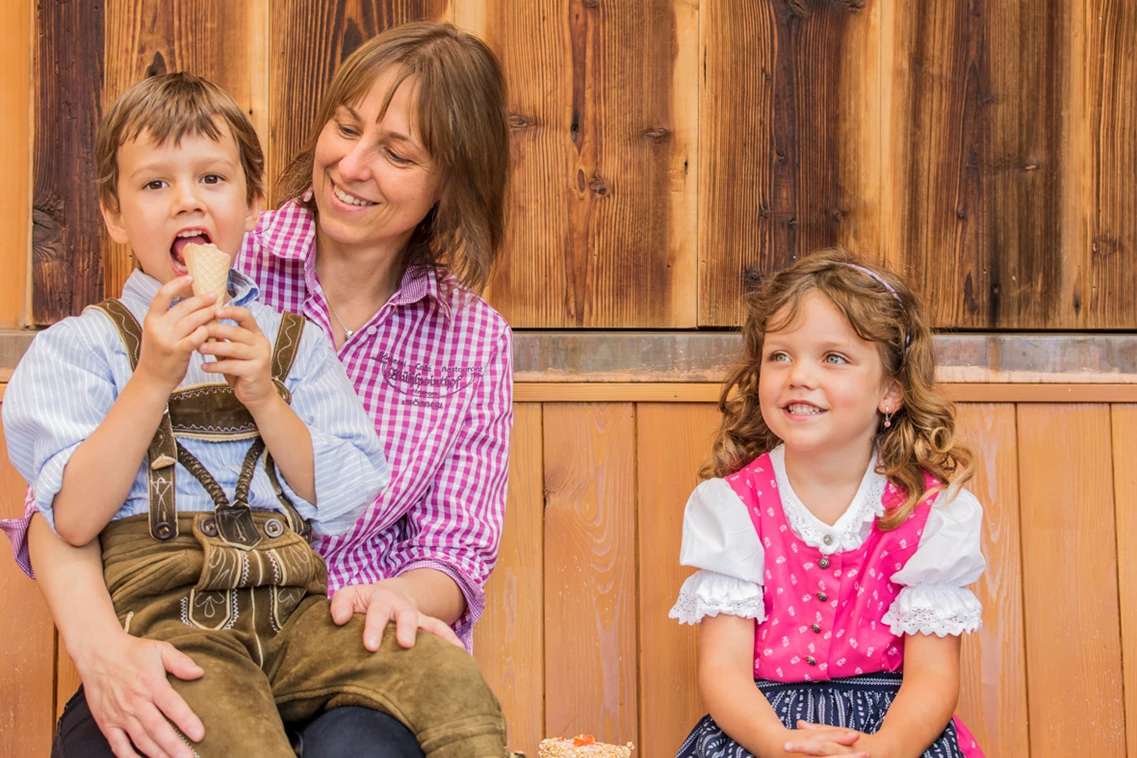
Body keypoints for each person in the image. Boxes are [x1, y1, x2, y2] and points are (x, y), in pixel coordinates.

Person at [3, 21, 514, 758]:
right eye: (345, 128)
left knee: (386, 736)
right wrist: (101, 649)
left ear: (450, 182)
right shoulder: (187, 269)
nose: (353, 164)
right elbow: (60, 508)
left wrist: (396, 596)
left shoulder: (464, 338)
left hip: (329, 622)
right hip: (165, 623)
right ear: (116, 211)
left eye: (397, 152)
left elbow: (450, 546)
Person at [669, 250, 986, 757]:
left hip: (892, 731)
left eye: (833, 357)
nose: (798, 375)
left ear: (891, 391)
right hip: (764, 726)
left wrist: (887, 749)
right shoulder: (732, 505)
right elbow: (723, 669)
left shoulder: (930, 512)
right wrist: (778, 744)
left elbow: (932, 677)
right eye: (780, 355)